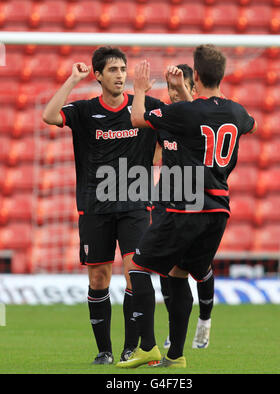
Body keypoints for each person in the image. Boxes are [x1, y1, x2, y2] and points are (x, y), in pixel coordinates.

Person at [42, 46, 189, 365]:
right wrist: (71, 80)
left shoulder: (145, 106)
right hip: (95, 206)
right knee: (99, 279)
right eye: (112, 70)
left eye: (123, 69)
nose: (120, 75)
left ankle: (131, 348)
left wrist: (178, 91)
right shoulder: (84, 111)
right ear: (97, 75)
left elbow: (180, 131)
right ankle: (104, 351)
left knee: (135, 273)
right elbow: (49, 115)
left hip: (136, 205)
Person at [116, 44, 257, 369]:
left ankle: (148, 346)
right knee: (179, 274)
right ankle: (176, 356)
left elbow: (137, 118)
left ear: (197, 74)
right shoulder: (236, 111)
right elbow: (252, 126)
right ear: (220, 74)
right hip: (219, 210)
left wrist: (138, 89)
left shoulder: (185, 113)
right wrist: (183, 91)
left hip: (185, 206)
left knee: (136, 267)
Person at [159, 63, 215, 350]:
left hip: (198, 201)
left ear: (193, 89)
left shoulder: (202, 121)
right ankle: (175, 328)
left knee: (200, 267)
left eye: (180, 87)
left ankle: (204, 321)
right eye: (170, 87)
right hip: (167, 200)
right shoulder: (165, 119)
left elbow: (198, 119)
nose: (174, 92)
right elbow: (154, 154)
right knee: (164, 269)